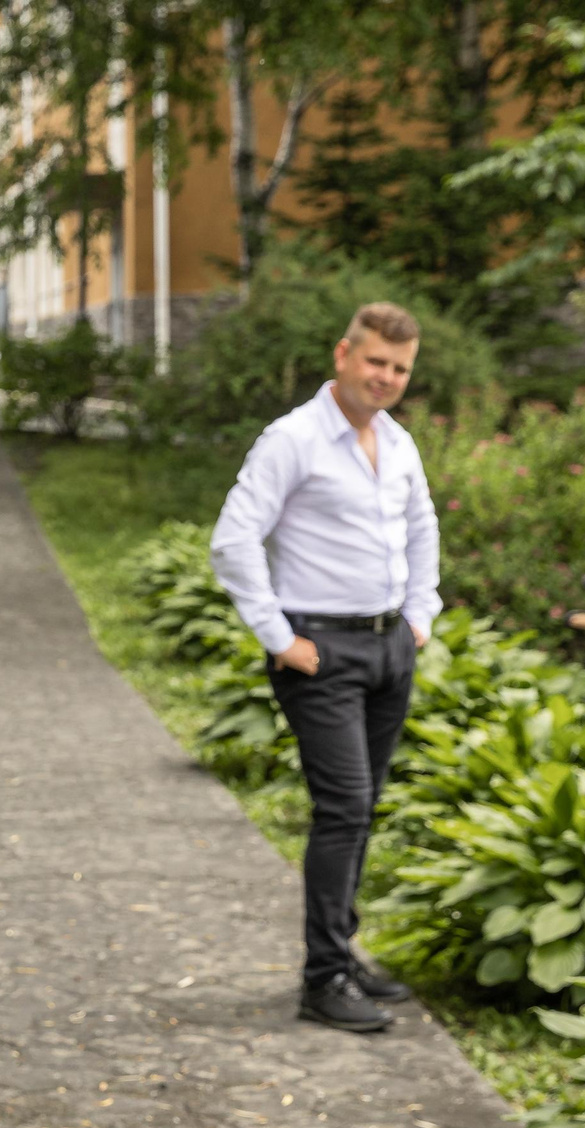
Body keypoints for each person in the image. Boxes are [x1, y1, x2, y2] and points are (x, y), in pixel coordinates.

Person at [209, 302, 440, 1034]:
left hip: (388, 648)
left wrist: (419, 615)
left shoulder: (398, 443)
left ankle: (342, 948)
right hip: (321, 654)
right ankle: (324, 978)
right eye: (376, 361)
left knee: (363, 805)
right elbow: (234, 538)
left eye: (400, 368)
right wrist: (278, 636)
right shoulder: (294, 440)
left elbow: (423, 525)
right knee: (343, 810)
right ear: (343, 354)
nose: (387, 378)